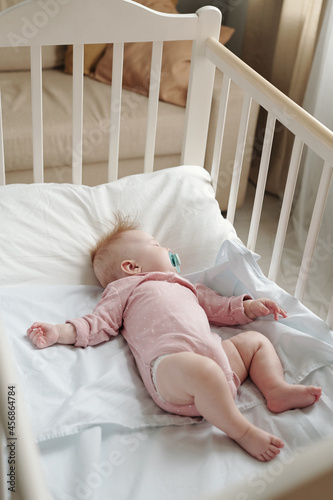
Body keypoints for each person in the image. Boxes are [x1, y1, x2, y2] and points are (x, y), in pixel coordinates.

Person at [27, 214, 322, 462]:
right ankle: (242, 431)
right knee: (205, 373)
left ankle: (275, 389)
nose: (168, 248)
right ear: (131, 267)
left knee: (256, 343)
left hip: (220, 361)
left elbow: (218, 308)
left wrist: (247, 307)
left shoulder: (188, 286)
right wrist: (60, 331)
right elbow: (98, 323)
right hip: (170, 369)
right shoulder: (127, 289)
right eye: (157, 245)